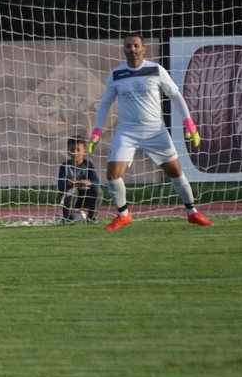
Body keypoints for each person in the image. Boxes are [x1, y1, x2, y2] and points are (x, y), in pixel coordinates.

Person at [88, 34, 213, 230]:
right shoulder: (117, 74)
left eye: (136, 46)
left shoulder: (156, 70)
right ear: (124, 49)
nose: (132, 49)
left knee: (175, 172)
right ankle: (124, 215)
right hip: (127, 132)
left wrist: (189, 122)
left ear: (143, 49)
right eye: (128, 46)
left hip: (155, 131)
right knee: (112, 174)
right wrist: (96, 132)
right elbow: (105, 104)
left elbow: (176, 95)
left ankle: (193, 213)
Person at [57, 136, 100, 223]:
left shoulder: (88, 165)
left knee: (98, 190)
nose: (75, 153)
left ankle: (91, 218)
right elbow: (60, 186)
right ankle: (67, 217)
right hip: (68, 199)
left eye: (78, 150)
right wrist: (69, 183)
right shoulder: (64, 166)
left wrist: (89, 183)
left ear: (85, 152)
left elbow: (96, 182)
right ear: (68, 152)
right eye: (72, 150)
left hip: (84, 198)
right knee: (73, 190)